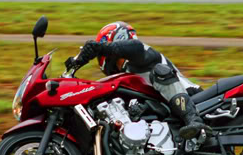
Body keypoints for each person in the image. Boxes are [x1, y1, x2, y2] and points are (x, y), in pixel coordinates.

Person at [65, 21, 209, 140]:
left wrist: (100, 48)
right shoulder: (127, 74)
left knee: (160, 72)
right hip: (167, 110)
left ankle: (194, 119)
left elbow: (136, 48)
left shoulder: (141, 55)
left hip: (193, 97)